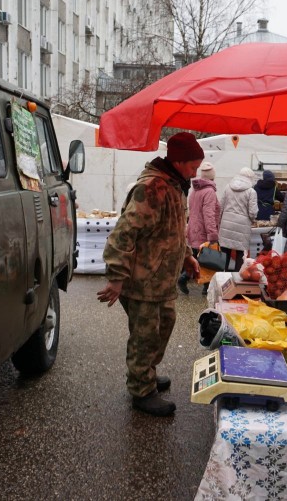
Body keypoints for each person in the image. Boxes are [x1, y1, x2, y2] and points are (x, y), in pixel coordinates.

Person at [96, 132, 203, 417]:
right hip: (142, 281)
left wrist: (188, 258)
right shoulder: (152, 188)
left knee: (164, 325)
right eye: (193, 166)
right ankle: (141, 390)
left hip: (162, 280)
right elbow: (124, 233)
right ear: (178, 162)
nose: (196, 173)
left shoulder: (174, 187)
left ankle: (147, 373)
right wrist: (116, 277)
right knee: (145, 336)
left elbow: (174, 232)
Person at [178, 161, 219, 296]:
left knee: (196, 257)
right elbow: (209, 215)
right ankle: (205, 287)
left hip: (193, 228)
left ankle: (185, 278)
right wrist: (212, 235)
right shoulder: (209, 192)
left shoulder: (195, 190)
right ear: (212, 177)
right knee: (208, 259)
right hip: (204, 231)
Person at [218, 167, 258, 271]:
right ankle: (237, 280)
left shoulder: (228, 187)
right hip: (242, 226)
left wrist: (219, 222)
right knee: (240, 254)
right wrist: (252, 219)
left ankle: (222, 279)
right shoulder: (251, 192)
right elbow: (253, 212)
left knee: (224, 253)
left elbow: (220, 206)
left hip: (226, 224)